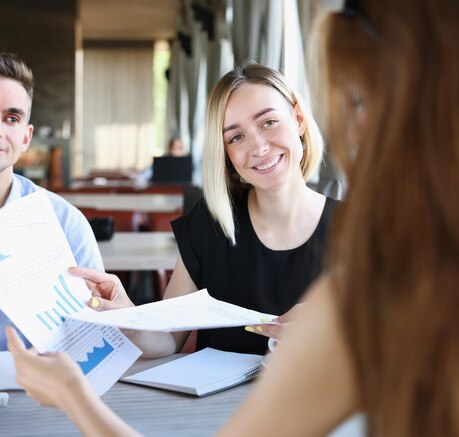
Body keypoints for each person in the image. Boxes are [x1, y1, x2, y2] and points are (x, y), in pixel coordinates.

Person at [10, 0, 459, 435]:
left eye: (360, 102)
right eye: (234, 137)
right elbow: (168, 335)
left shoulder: (375, 284)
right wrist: (133, 318)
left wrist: (68, 394)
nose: (355, 130)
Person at [75, 62, 333, 357]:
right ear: (225, 154)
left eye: (268, 122)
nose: (258, 147)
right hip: (217, 405)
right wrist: (127, 319)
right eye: (236, 137)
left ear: (298, 118)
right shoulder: (210, 224)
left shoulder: (360, 228)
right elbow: (168, 339)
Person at [0, 53, 103, 350]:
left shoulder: (65, 223)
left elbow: (96, 331)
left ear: (26, 137)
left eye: (12, 118)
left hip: (41, 389)